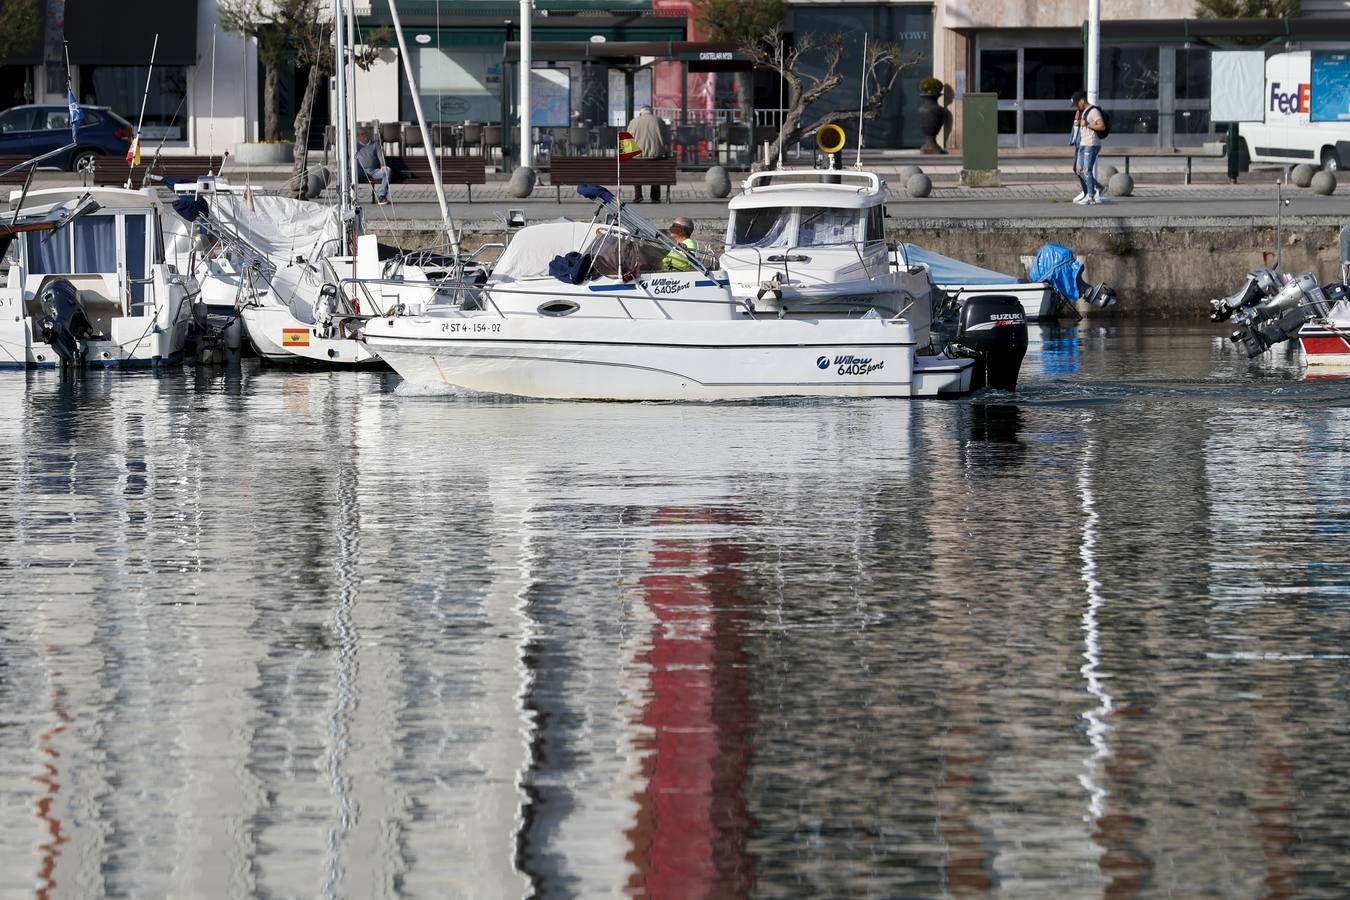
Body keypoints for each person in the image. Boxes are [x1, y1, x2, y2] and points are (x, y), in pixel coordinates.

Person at [626, 105, 667, 203]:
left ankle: (638, 195)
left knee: (636, 172)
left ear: (641, 113)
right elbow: (666, 138)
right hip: (655, 156)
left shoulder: (633, 122)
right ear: (651, 112)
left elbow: (627, 142)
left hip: (637, 157)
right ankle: (655, 197)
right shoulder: (659, 120)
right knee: (656, 173)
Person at [1070, 91, 1106, 205]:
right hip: (1083, 143)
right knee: (1079, 170)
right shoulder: (1084, 111)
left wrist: (1087, 124)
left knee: (1087, 170)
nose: (1076, 106)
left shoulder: (1093, 111)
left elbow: (1102, 126)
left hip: (1091, 144)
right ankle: (1097, 188)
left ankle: (1091, 197)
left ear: (1082, 100)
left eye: (1077, 103)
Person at [356, 127, 391, 204]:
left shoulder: (375, 144)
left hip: (374, 171)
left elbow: (381, 156)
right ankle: (349, 197)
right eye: (362, 134)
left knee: (387, 171)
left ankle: (382, 196)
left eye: (365, 133)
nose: (364, 135)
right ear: (358, 136)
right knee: (347, 175)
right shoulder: (355, 146)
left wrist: (383, 165)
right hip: (360, 171)